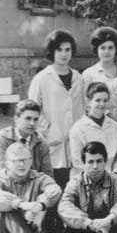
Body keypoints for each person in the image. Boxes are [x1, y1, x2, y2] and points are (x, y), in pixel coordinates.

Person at [28, 28, 85, 190]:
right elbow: (32, 109)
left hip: (74, 141)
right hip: (51, 141)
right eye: (59, 50)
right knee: (53, 187)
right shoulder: (42, 78)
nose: (64, 54)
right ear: (52, 51)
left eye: (67, 50)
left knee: (73, 188)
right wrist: (48, 130)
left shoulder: (78, 78)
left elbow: (83, 108)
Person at [0, 100, 52, 200]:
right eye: (27, 118)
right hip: (6, 186)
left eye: (35, 119)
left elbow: (47, 173)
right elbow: (3, 169)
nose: (32, 123)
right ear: (16, 119)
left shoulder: (41, 142)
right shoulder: (2, 138)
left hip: (33, 187)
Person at [82, 26, 117, 128]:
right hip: (97, 125)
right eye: (103, 48)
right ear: (97, 49)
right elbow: (87, 102)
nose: (107, 51)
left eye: (110, 48)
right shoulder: (88, 74)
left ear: (116, 49)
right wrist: (114, 120)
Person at [69, 82, 117, 174]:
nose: (102, 104)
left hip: (112, 176)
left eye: (105, 100)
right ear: (88, 101)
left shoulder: (115, 127)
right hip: (86, 176)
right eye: (98, 100)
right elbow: (78, 162)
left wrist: (116, 172)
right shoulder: (77, 129)